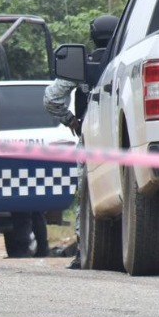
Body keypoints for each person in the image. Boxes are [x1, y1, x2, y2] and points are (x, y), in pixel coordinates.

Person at [44, 15, 118, 269]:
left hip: (92, 139)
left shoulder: (84, 65)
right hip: (125, 138)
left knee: (86, 192)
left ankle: (85, 252)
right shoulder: (124, 60)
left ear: (92, 36)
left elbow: (51, 98)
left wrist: (72, 121)